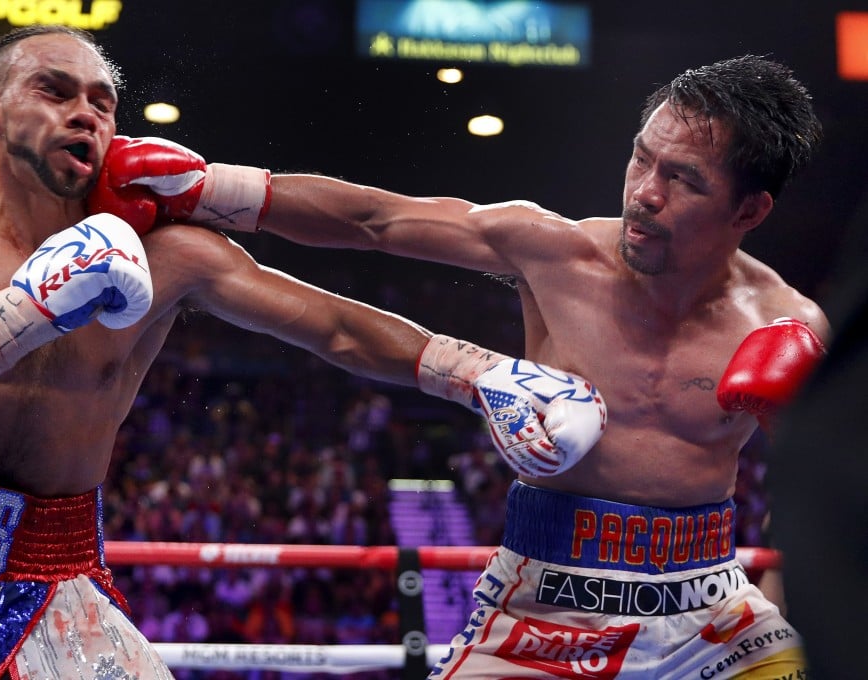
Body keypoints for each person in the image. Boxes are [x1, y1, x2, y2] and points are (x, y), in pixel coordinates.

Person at [0, 26, 606, 679]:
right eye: (54, 90)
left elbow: (331, 325)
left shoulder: (168, 252)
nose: (84, 112)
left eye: (101, 101)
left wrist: (478, 372)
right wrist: (24, 310)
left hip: (53, 569)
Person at [93, 55, 830, 677]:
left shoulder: (785, 325)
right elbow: (374, 221)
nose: (644, 192)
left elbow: (829, 496)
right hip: (545, 608)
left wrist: (788, 574)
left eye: (684, 180)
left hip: (714, 614)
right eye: (642, 156)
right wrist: (209, 188)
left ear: (750, 210)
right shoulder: (555, 253)